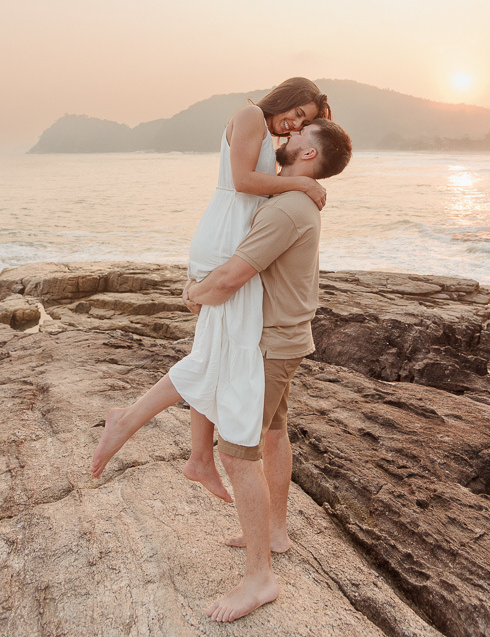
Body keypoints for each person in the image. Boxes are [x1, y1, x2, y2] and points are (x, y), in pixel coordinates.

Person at [90, 118, 353, 622]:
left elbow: (232, 276)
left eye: (300, 134)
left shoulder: (286, 210)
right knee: (272, 433)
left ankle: (259, 579)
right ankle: (275, 533)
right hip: (285, 339)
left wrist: (194, 295)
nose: (289, 135)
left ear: (308, 155)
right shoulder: (293, 199)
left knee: (237, 455)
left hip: (268, 346)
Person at [164, 77, 332, 503]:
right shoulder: (251, 114)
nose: (294, 126)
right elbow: (242, 180)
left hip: (235, 240)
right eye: (297, 114)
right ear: (285, 99)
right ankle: (180, 447)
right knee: (212, 355)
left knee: (214, 354)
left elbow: (273, 175)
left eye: (303, 124)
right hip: (225, 235)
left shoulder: (269, 138)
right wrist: (302, 183)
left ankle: (196, 456)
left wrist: (305, 170)